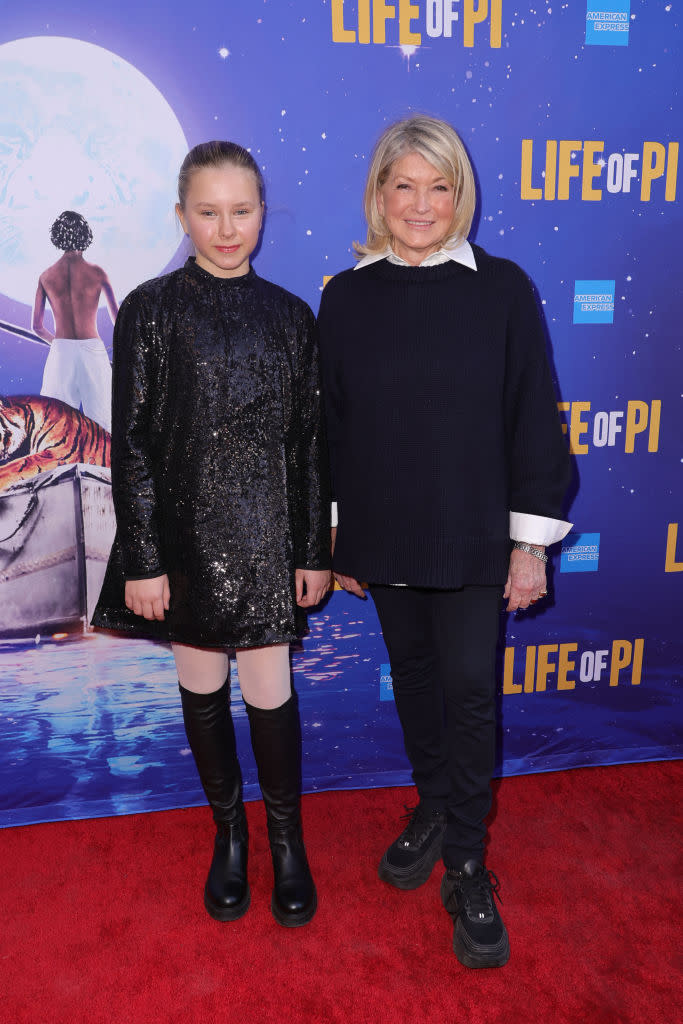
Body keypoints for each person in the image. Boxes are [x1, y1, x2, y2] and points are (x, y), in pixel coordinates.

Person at [317, 116, 572, 968]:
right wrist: (334, 532)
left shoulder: (500, 288)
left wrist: (528, 543)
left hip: (473, 532)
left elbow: (532, 418)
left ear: (459, 196)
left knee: (468, 689)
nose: (420, 205)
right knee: (417, 680)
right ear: (379, 195)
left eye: (438, 187)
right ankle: (431, 801)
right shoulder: (345, 295)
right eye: (403, 186)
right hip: (385, 530)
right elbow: (331, 427)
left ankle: (465, 857)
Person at [92, 141, 331, 928]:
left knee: (271, 693)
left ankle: (286, 844)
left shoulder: (292, 317)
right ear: (181, 215)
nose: (226, 229)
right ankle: (229, 836)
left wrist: (310, 551)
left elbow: (306, 447)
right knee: (201, 692)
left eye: (241, 211)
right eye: (207, 212)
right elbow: (129, 442)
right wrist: (144, 559)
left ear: (263, 212)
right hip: (184, 542)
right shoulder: (151, 308)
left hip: (267, 540)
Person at [33, 211, 118, 432]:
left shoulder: (46, 276)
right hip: (93, 350)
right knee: (102, 421)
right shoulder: (98, 273)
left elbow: (37, 327)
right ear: (85, 235)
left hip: (61, 352)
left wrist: (59, 344)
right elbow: (119, 320)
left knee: (55, 422)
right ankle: (103, 466)